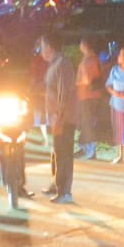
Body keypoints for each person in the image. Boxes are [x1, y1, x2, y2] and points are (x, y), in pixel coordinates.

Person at [39, 32, 76, 203]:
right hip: (56, 117)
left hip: (64, 118)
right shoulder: (54, 64)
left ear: (50, 47)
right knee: (57, 152)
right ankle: (57, 184)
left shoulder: (63, 64)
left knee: (64, 153)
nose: (41, 50)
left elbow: (63, 93)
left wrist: (59, 117)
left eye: (42, 47)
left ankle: (65, 192)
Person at [76, 38, 106, 160]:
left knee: (87, 122)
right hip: (93, 95)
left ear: (84, 45)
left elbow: (86, 80)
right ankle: (87, 148)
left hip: (87, 95)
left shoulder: (88, 60)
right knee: (89, 122)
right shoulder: (95, 59)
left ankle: (88, 150)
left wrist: (76, 82)